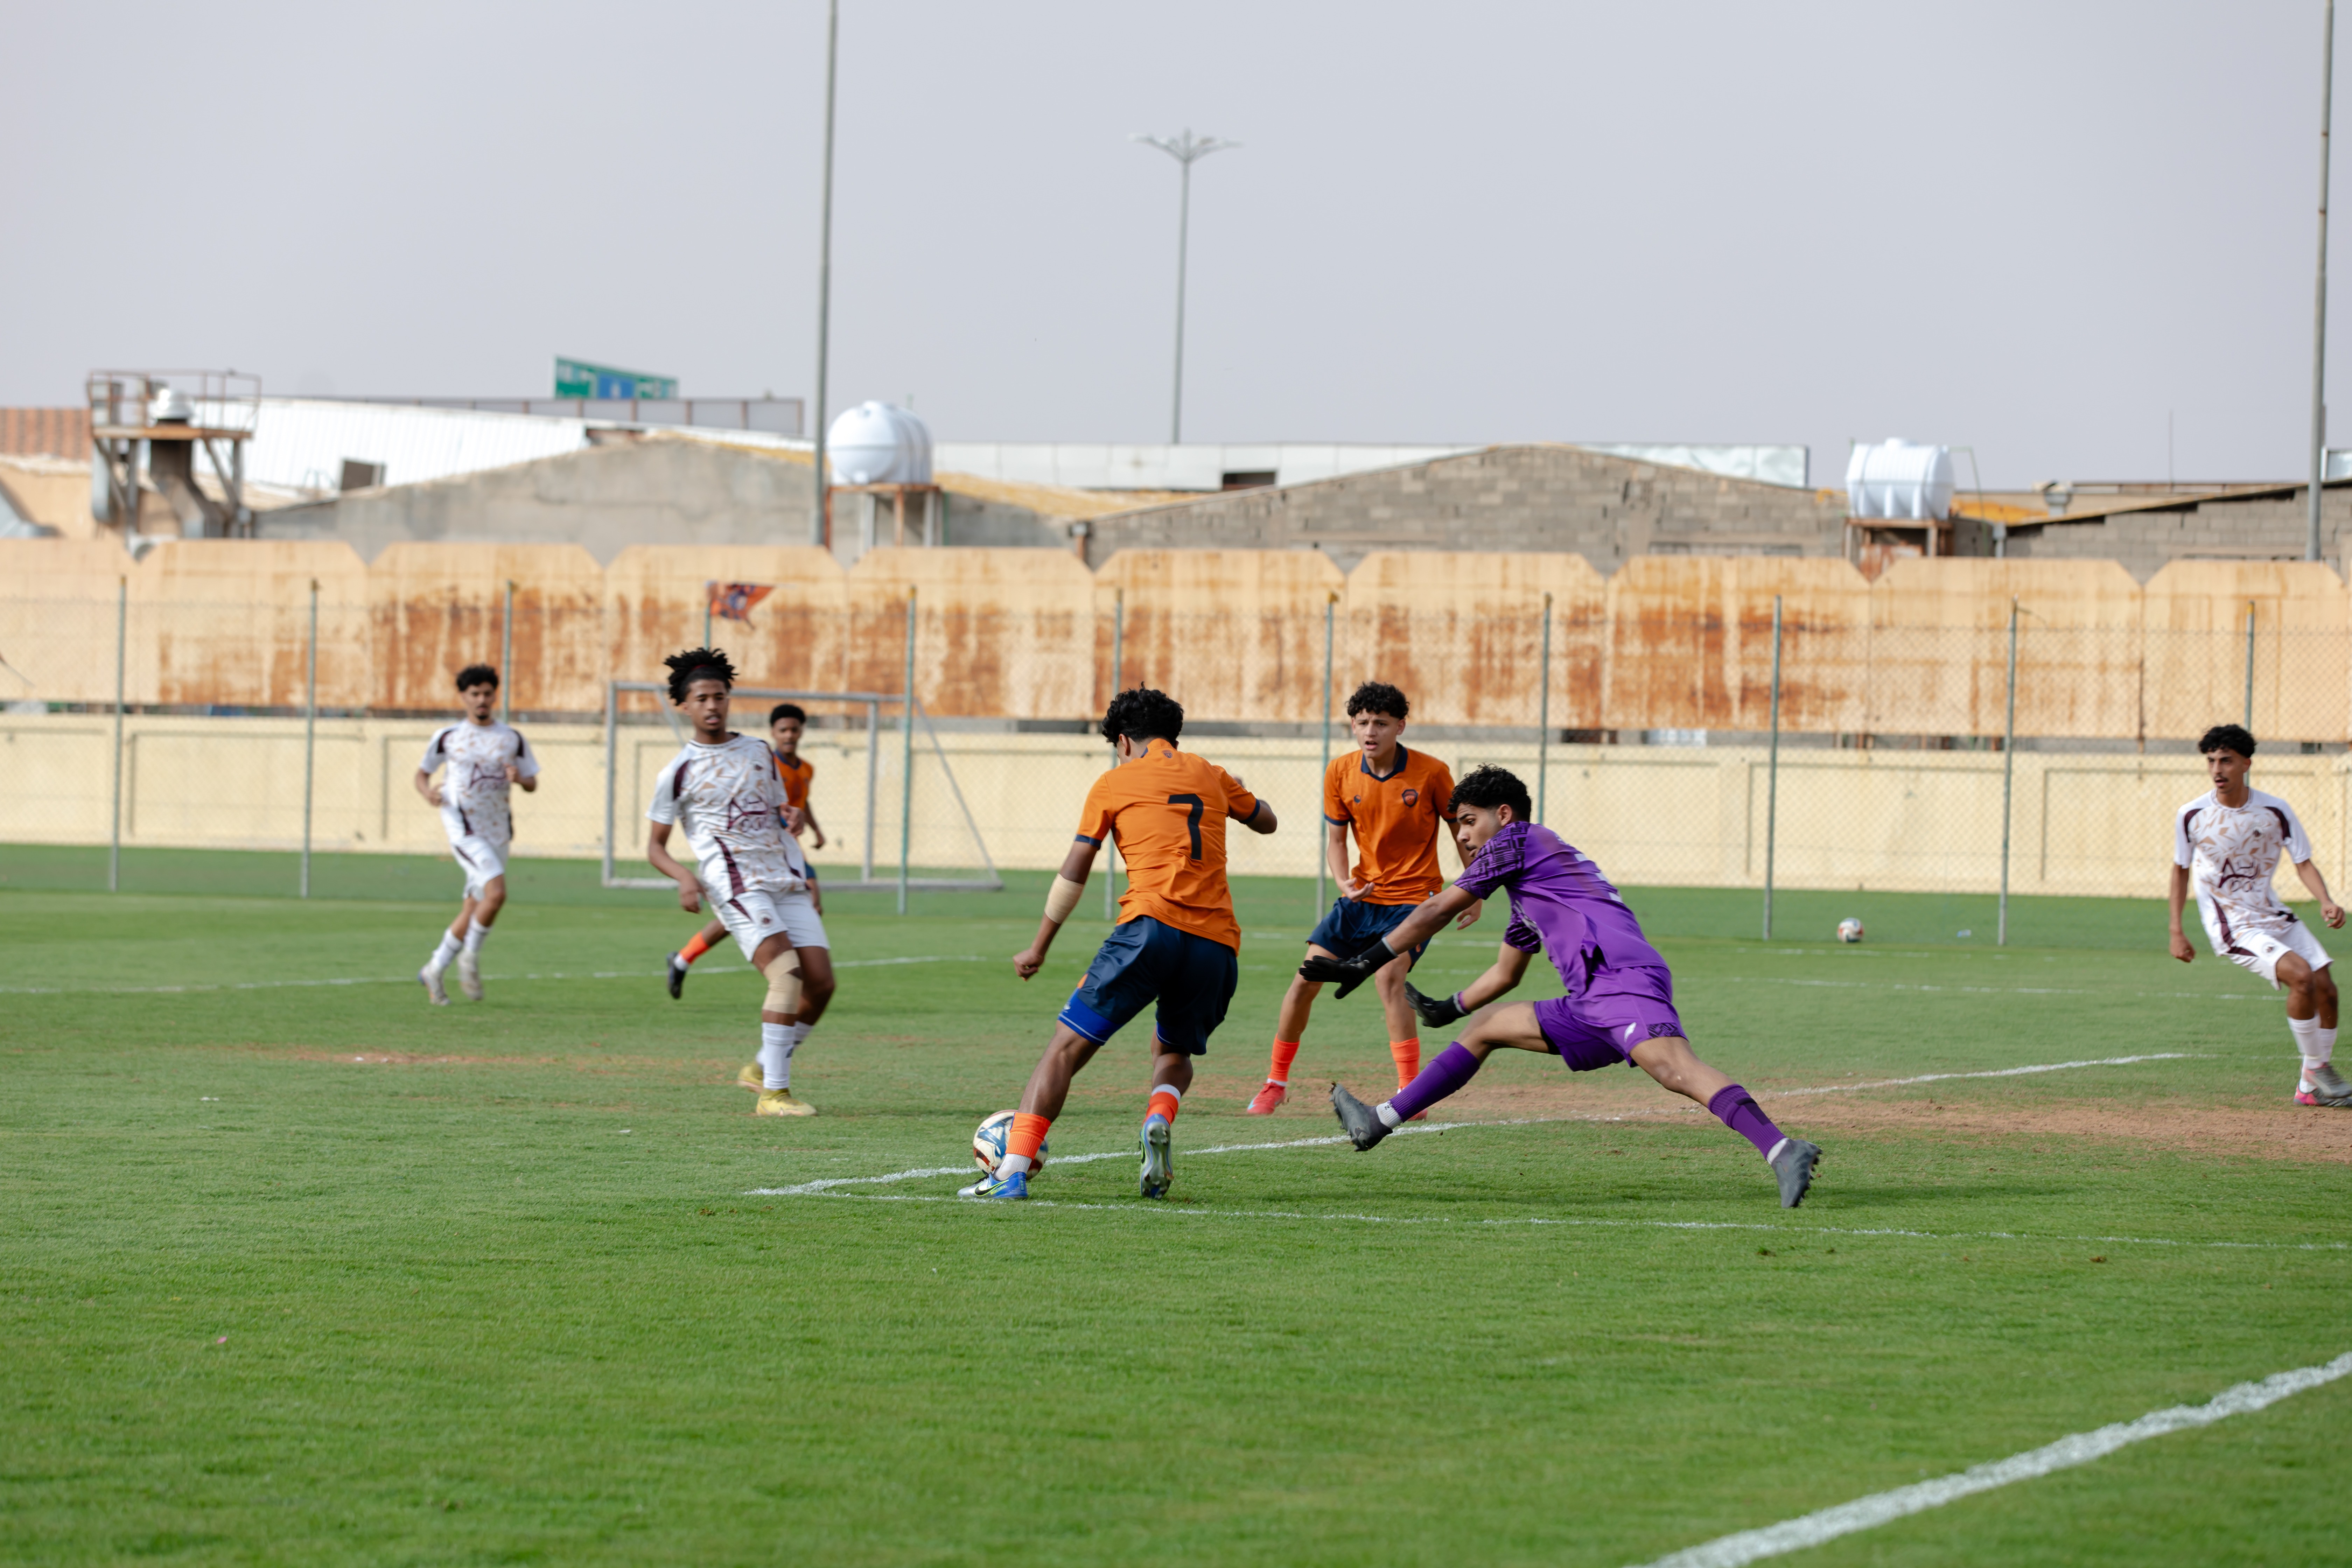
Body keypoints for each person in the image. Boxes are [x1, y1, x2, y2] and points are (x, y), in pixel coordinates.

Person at [1311, 764, 1823, 1208]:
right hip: (1589, 1000)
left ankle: (1781, 1148)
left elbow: (1437, 909)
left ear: (1505, 815)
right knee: (1486, 1027)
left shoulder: (1520, 841)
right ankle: (1378, 1121)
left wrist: (1367, 961)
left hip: (1620, 978)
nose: (1462, 836)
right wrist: (1452, 1007)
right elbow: (1507, 973)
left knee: (1674, 1069)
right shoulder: (1531, 885)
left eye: (1470, 821)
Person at [962, 687, 1280, 1200]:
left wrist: (1040, 946)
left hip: (1149, 929)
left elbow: (1075, 871)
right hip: (1216, 944)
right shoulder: (1211, 774)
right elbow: (1267, 821)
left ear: (1125, 741)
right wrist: (1242, 792)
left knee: (1065, 1049)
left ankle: (1010, 1173)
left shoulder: (1114, 782)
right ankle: (1158, 1115)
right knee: (1173, 1051)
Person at [1248, 681, 1479, 1115]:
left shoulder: (1432, 772)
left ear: (1400, 727)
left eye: (1381, 723)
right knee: (1304, 980)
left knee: (1388, 978)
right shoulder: (1339, 772)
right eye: (1362, 723)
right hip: (1362, 898)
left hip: (1416, 900)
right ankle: (1275, 1083)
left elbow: (1461, 831)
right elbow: (1337, 841)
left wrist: (1473, 891)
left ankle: (1412, 1092)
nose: (1370, 731)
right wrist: (1343, 882)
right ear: (1353, 727)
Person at [644, 649, 836, 1117]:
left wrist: (790, 819)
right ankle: (775, 1094)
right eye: (703, 699)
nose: (713, 706)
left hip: (783, 877)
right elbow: (654, 847)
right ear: (684, 707)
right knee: (785, 973)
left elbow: (775, 812)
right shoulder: (677, 772)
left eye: (721, 697)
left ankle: (759, 1068)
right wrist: (684, 876)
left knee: (821, 985)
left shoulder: (759, 752)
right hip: (735, 883)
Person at [2169, 723, 2351, 1107]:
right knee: (2302, 978)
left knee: (2329, 992)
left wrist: (2326, 901)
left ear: (2246, 763)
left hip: (2274, 916)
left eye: (2227, 760)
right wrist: (2176, 930)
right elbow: (2180, 871)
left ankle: (2309, 1086)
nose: (2218, 769)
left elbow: (2303, 863)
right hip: (2232, 925)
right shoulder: (2192, 814)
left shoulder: (2275, 809)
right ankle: (2318, 1070)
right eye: (2212, 761)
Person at [668, 702, 826, 999]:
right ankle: (792, 974)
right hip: (754, 855)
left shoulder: (806, 769)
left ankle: (682, 960)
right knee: (810, 902)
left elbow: (802, 803)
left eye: (794, 729)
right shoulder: (763, 761)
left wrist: (815, 829)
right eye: (784, 730)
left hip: (785, 854)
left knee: (735, 920)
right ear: (774, 733)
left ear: (802, 731)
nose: (789, 735)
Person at [413, 664, 538, 1006]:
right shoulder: (449, 736)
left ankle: (435, 969)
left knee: (474, 906)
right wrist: (428, 793)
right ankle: (470, 959)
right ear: (463, 697)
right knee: (496, 893)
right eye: (475, 694)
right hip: (463, 827)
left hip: (498, 831)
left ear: (495, 695)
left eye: (487, 693)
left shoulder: (511, 738)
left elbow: (532, 782)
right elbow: (422, 774)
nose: (482, 700)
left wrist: (519, 779)